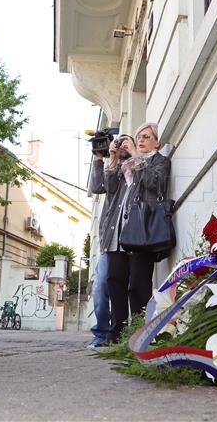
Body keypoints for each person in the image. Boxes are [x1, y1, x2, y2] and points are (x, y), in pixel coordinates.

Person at [105, 123, 171, 343]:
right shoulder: (127, 164)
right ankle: (117, 334)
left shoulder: (159, 161)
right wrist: (113, 160)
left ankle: (141, 335)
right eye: (138, 137)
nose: (141, 140)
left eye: (146, 136)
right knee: (115, 281)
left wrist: (136, 157)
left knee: (138, 286)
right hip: (119, 234)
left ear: (157, 142)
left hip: (141, 232)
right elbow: (110, 191)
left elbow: (156, 184)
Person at [86, 134, 132, 348]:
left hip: (133, 240)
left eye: (125, 141)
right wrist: (100, 158)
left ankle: (123, 331)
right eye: (118, 142)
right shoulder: (113, 169)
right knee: (101, 285)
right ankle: (102, 332)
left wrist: (131, 155)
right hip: (110, 240)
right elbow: (96, 187)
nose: (120, 145)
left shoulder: (134, 168)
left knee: (129, 288)